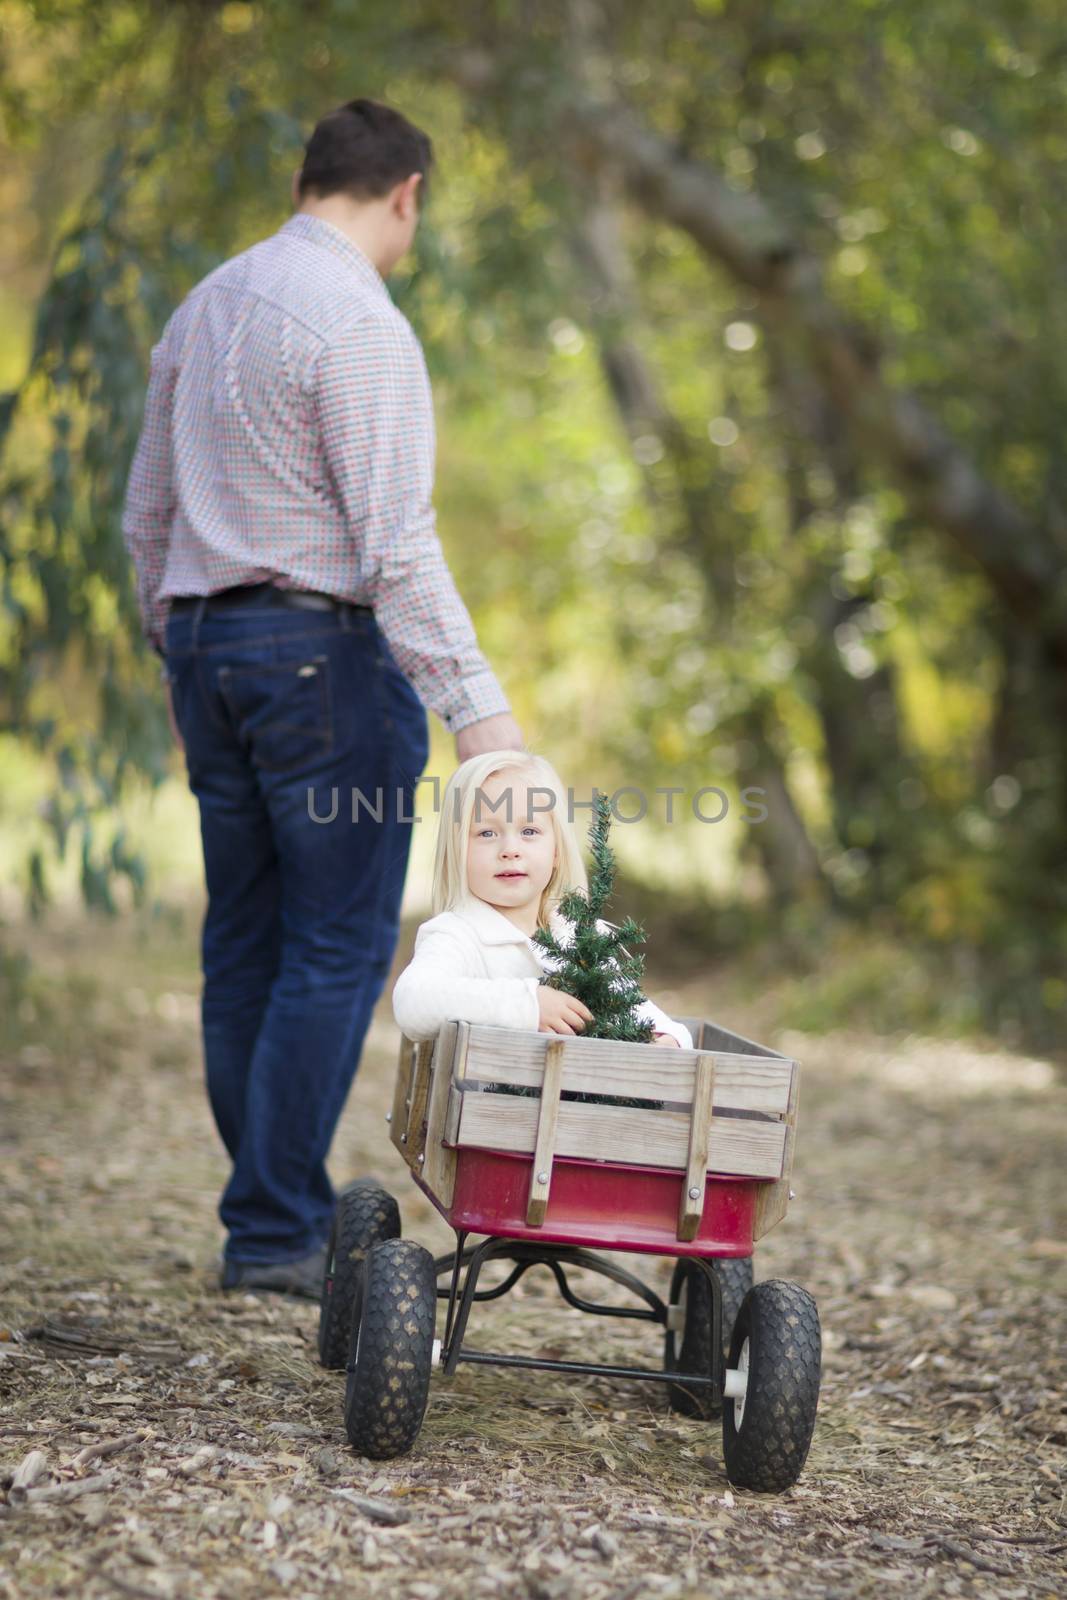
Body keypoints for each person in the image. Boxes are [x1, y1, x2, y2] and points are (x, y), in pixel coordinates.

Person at [121, 98, 523, 1298]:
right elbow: (396, 545)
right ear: (403, 191)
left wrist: (181, 639)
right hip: (322, 664)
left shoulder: (206, 305)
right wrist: (479, 710)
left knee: (244, 935)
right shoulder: (359, 323)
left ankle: (267, 1209)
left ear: (311, 181)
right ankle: (273, 1228)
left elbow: (147, 514)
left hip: (209, 650)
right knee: (338, 948)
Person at [392, 750, 693, 1048]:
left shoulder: (582, 937)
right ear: (456, 851)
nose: (510, 849)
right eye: (486, 833)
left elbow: (650, 1019)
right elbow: (414, 1001)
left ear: (556, 851)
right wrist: (528, 1005)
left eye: (529, 830)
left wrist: (669, 1041)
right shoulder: (457, 935)